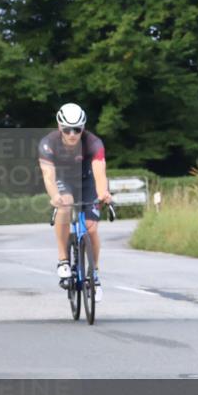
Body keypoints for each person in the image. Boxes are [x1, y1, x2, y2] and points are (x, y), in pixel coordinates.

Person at [37, 103, 113, 300]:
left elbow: (99, 173)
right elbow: (48, 176)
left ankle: (94, 274)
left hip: (87, 180)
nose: (72, 134)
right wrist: (55, 196)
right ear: (59, 126)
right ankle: (63, 259)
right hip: (63, 180)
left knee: (91, 228)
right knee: (65, 204)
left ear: (83, 128)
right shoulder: (48, 143)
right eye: (67, 129)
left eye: (77, 129)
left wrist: (103, 193)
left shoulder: (93, 143)